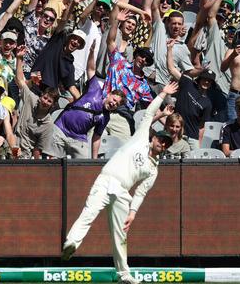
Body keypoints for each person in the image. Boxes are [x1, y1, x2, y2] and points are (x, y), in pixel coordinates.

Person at [61, 82, 178, 284]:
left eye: (166, 143)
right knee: (89, 213)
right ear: (155, 138)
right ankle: (71, 243)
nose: (162, 143)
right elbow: (149, 114)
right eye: (161, 139)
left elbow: (141, 192)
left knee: (120, 235)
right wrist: (162, 95)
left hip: (123, 192)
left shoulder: (153, 168)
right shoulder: (141, 138)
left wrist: (133, 212)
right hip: (107, 180)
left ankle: (124, 275)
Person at [44, 76, 126, 159]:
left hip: (78, 138)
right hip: (61, 129)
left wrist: (94, 159)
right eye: (114, 100)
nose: (114, 104)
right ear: (109, 95)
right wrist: (91, 61)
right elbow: (90, 69)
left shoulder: (105, 118)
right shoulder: (95, 90)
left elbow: (97, 137)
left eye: (117, 104)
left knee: (84, 166)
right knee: (53, 164)